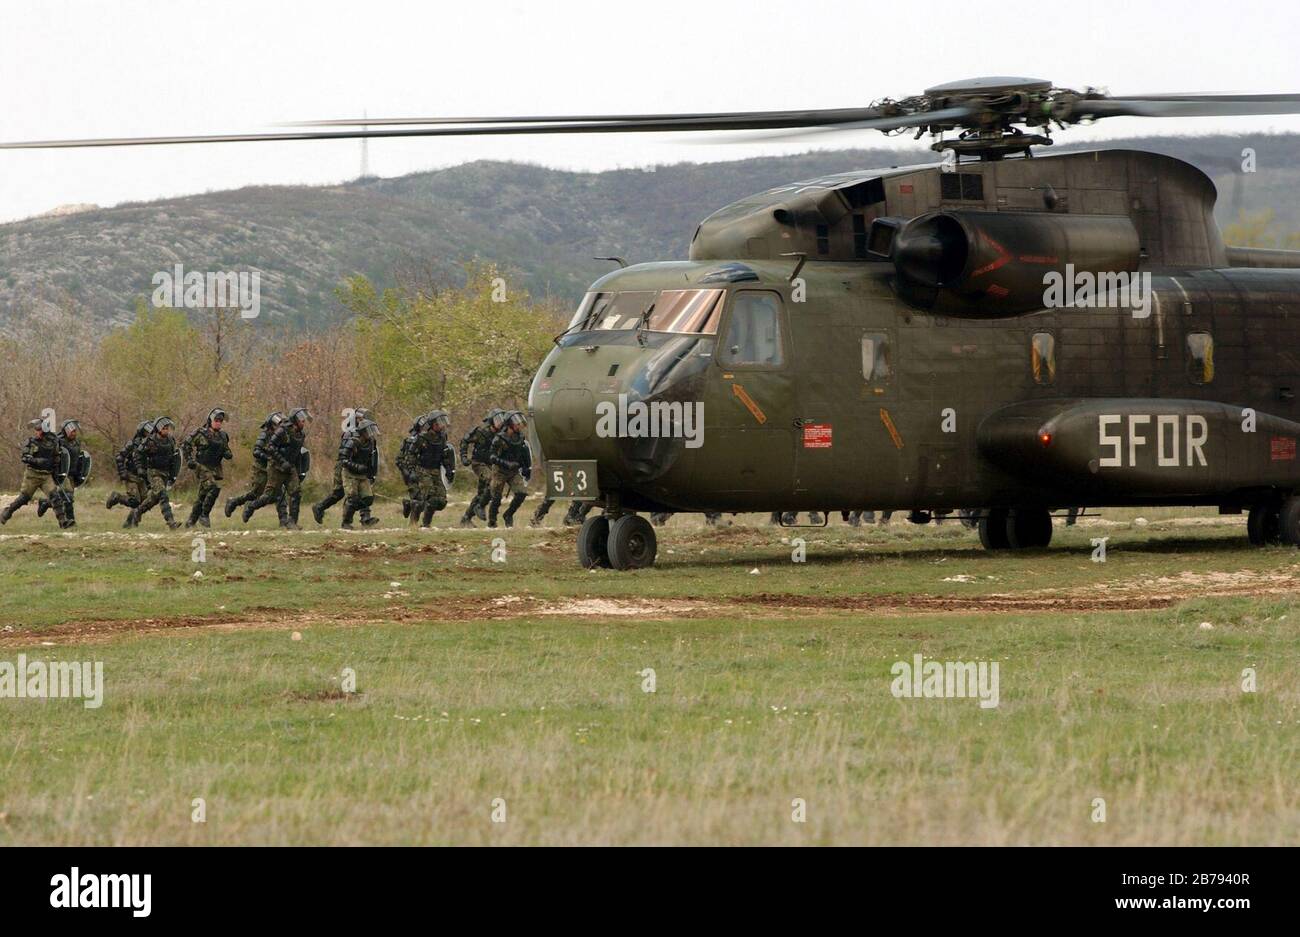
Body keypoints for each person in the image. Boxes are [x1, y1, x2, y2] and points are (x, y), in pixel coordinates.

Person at [242, 407, 311, 528]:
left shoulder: (301, 434)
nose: (303, 423)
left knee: (296, 493)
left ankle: (292, 522)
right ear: (295, 420)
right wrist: (282, 461)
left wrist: (300, 471)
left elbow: (299, 453)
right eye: (301, 420)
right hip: (276, 467)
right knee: (269, 496)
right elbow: (270, 447)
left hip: (291, 468)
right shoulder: (282, 431)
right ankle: (251, 506)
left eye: (304, 421)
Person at [312, 408, 379, 526]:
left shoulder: (369, 436)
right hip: (344, 466)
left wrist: (371, 472)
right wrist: (356, 467)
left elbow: (371, 455)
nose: (361, 420)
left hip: (359, 468)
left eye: (363, 418)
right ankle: (320, 507)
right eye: (359, 418)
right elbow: (344, 457)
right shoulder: (350, 434)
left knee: (363, 494)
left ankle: (365, 518)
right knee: (339, 494)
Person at [1, 417, 71, 527]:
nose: (37, 432)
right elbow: (24, 458)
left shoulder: (54, 442)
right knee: (24, 498)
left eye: (39, 430)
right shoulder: (31, 442)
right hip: (32, 475)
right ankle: (7, 512)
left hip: (46, 475)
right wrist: (37, 461)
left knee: (55, 497)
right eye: (36, 430)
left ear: (44, 431)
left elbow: (57, 457)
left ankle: (63, 521)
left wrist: (56, 472)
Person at [225, 412, 283, 518]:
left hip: (273, 469)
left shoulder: (280, 436)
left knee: (279, 493)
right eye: (276, 425)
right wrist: (268, 457)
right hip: (261, 468)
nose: (279, 427)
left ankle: (284, 520)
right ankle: (233, 502)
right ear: (270, 425)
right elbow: (256, 451)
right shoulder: (264, 435)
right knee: (255, 494)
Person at [128, 416, 183, 529]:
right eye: (164, 428)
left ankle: (137, 512)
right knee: (163, 495)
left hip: (165, 473)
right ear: (158, 428)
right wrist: (140, 468)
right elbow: (137, 454)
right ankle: (171, 522)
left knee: (154, 499)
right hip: (153, 472)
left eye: (168, 428)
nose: (166, 430)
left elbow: (175, 458)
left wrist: (173, 475)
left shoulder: (171, 441)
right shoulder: (150, 441)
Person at [182, 407, 233, 527]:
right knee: (214, 487)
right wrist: (189, 459)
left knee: (202, 495)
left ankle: (191, 522)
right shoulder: (200, 433)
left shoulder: (223, 435)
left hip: (215, 468)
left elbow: (226, 449)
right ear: (210, 420)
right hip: (201, 466)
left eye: (221, 420)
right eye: (216, 420)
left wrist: (228, 453)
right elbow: (186, 445)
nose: (219, 422)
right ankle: (204, 514)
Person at [458, 408, 506, 527]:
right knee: (492, 482)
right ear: (491, 421)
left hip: (491, 465)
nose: (500, 422)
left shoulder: (502, 435)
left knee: (482, 494)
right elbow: (465, 441)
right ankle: (480, 507)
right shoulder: (480, 432)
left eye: (502, 420)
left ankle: (466, 518)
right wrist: (464, 457)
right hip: (478, 464)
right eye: (497, 420)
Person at [408, 410, 456, 528]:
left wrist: (449, 469)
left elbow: (444, 455)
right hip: (423, 470)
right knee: (432, 498)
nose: (442, 425)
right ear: (433, 424)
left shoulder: (442, 437)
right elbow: (411, 455)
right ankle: (425, 524)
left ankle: (416, 505)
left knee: (441, 501)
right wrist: (412, 471)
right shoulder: (421, 438)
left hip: (435, 471)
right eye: (440, 422)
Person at [37, 419, 89, 528]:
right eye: (71, 430)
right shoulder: (59, 441)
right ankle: (71, 521)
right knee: (68, 497)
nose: (73, 433)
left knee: (64, 498)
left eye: (75, 431)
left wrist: (80, 473)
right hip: (62, 473)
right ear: (65, 431)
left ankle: (45, 503)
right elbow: (52, 454)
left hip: (72, 474)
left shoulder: (77, 442)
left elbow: (78, 458)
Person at [487, 411, 532, 528]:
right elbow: (492, 457)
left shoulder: (520, 437)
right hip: (499, 471)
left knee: (521, 493)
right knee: (496, 498)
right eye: (516, 423)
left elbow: (522, 454)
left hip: (513, 472)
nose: (519, 425)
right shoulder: (499, 439)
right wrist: (506, 463)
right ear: (510, 424)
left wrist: (526, 468)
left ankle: (508, 515)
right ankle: (492, 521)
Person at [338, 418, 380, 529]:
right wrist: (357, 466)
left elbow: (371, 459)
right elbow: (343, 459)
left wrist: (371, 473)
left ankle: (362, 516)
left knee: (368, 498)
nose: (371, 434)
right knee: (353, 498)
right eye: (369, 431)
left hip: (362, 474)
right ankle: (346, 522)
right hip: (350, 474)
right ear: (363, 432)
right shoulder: (353, 442)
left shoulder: (371, 442)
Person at [107, 420, 152, 521]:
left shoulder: (152, 445)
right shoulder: (133, 444)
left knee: (143, 502)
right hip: (131, 476)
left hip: (143, 478)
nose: (149, 434)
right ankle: (117, 497)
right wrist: (122, 472)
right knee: (134, 501)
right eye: (147, 432)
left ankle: (130, 523)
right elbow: (119, 457)